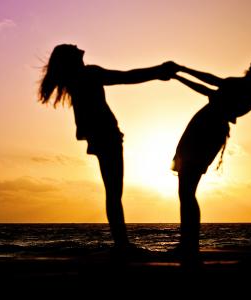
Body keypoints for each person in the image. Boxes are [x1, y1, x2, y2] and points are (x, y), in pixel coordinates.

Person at [38, 44, 176, 254]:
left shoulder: (75, 79)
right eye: (74, 48)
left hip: (100, 137)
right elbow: (126, 77)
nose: (79, 47)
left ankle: (121, 243)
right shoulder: (87, 74)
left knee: (113, 193)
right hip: (107, 136)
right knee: (114, 193)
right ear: (72, 58)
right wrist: (158, 72)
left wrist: (158, 73)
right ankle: (122, 245)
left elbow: (125, 77)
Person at [170, 57, 251, 264]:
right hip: (206, 129)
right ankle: (187, 245)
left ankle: (189, 247)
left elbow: (211, 85)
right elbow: (212, 84)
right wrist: (180, 74)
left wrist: (180, 74)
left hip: (205, 130)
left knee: (187, 192)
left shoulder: (246, 91)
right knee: (186, 192)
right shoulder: (248, 92)